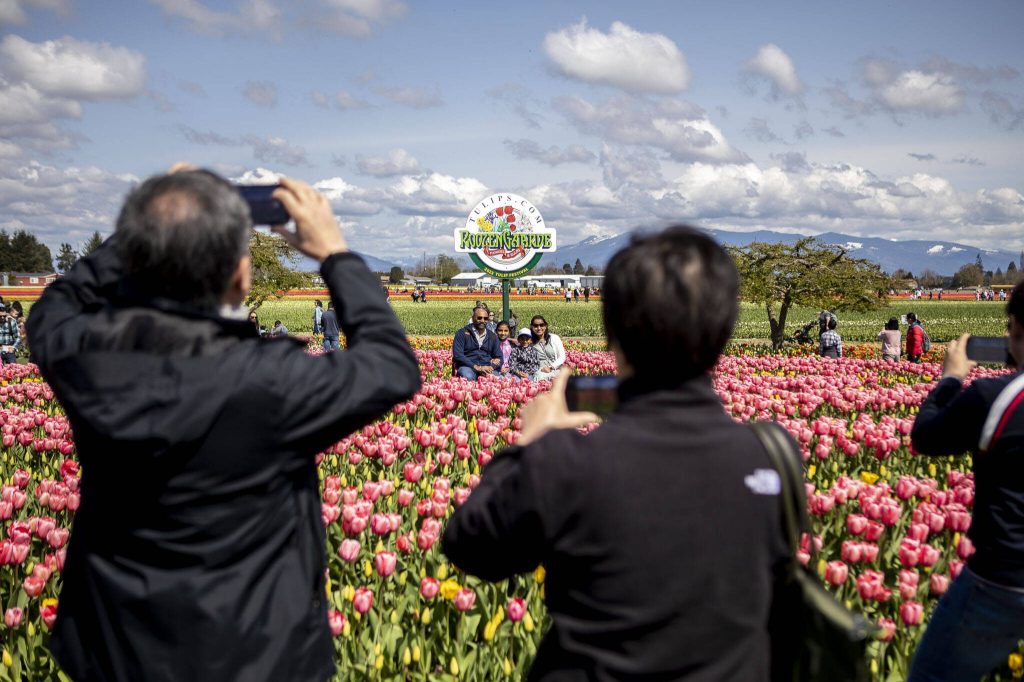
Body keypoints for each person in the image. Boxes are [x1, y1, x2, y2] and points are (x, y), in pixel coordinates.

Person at [25, 168, 421, 682]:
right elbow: (392, 365)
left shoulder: (85, 358)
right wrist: (335, 254)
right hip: (257, 657)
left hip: (116, 653)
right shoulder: (271, 382)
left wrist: (158, 219)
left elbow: (57, 303)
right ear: (241, 276)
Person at [443, 225, 789, 680]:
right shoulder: (774, 457)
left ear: (613, 331)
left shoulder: (568, 462)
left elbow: (471, 547)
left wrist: (532, 445)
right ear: (725, 330)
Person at [906, 280, 1024, 682]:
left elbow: (925, 436)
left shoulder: (997, 397)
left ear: (1016, 333)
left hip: (1003, 578)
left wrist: (951, 380)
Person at [452, 306, 503, 380]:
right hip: (468, 366)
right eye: (479, 318)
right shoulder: (462, 333)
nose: (482, 320)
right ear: (473, 318)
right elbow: (458, 355)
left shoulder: (492, 336)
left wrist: (492, 366)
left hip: (487, 367)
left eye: (485, 318)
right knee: (468, 376)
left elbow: (499, 357)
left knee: (496, 378)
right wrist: (477, 367)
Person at [531, 315, 565, 381]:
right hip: (540, 371)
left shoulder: (554, 338)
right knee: (539, 377)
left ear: (545, 326)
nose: (539, 328)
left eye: (541, 325)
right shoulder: (530, 341)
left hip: (556, 369)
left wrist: (551, 367)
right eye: (535, 326)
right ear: (532, 327)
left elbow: (562, 357)